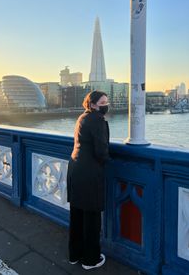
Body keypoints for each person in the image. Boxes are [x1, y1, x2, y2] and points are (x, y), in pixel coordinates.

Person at [67, 90, 110, 270]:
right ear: (92, 104)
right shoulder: (98, 121)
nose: (105, 105)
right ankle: (90, 260)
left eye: (107, 102)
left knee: (77, 215)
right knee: (92, 218)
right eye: (102, 102)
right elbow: (101, 152)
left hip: (75, 169)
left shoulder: (82, 117)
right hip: (90, 173)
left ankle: (75, 255)